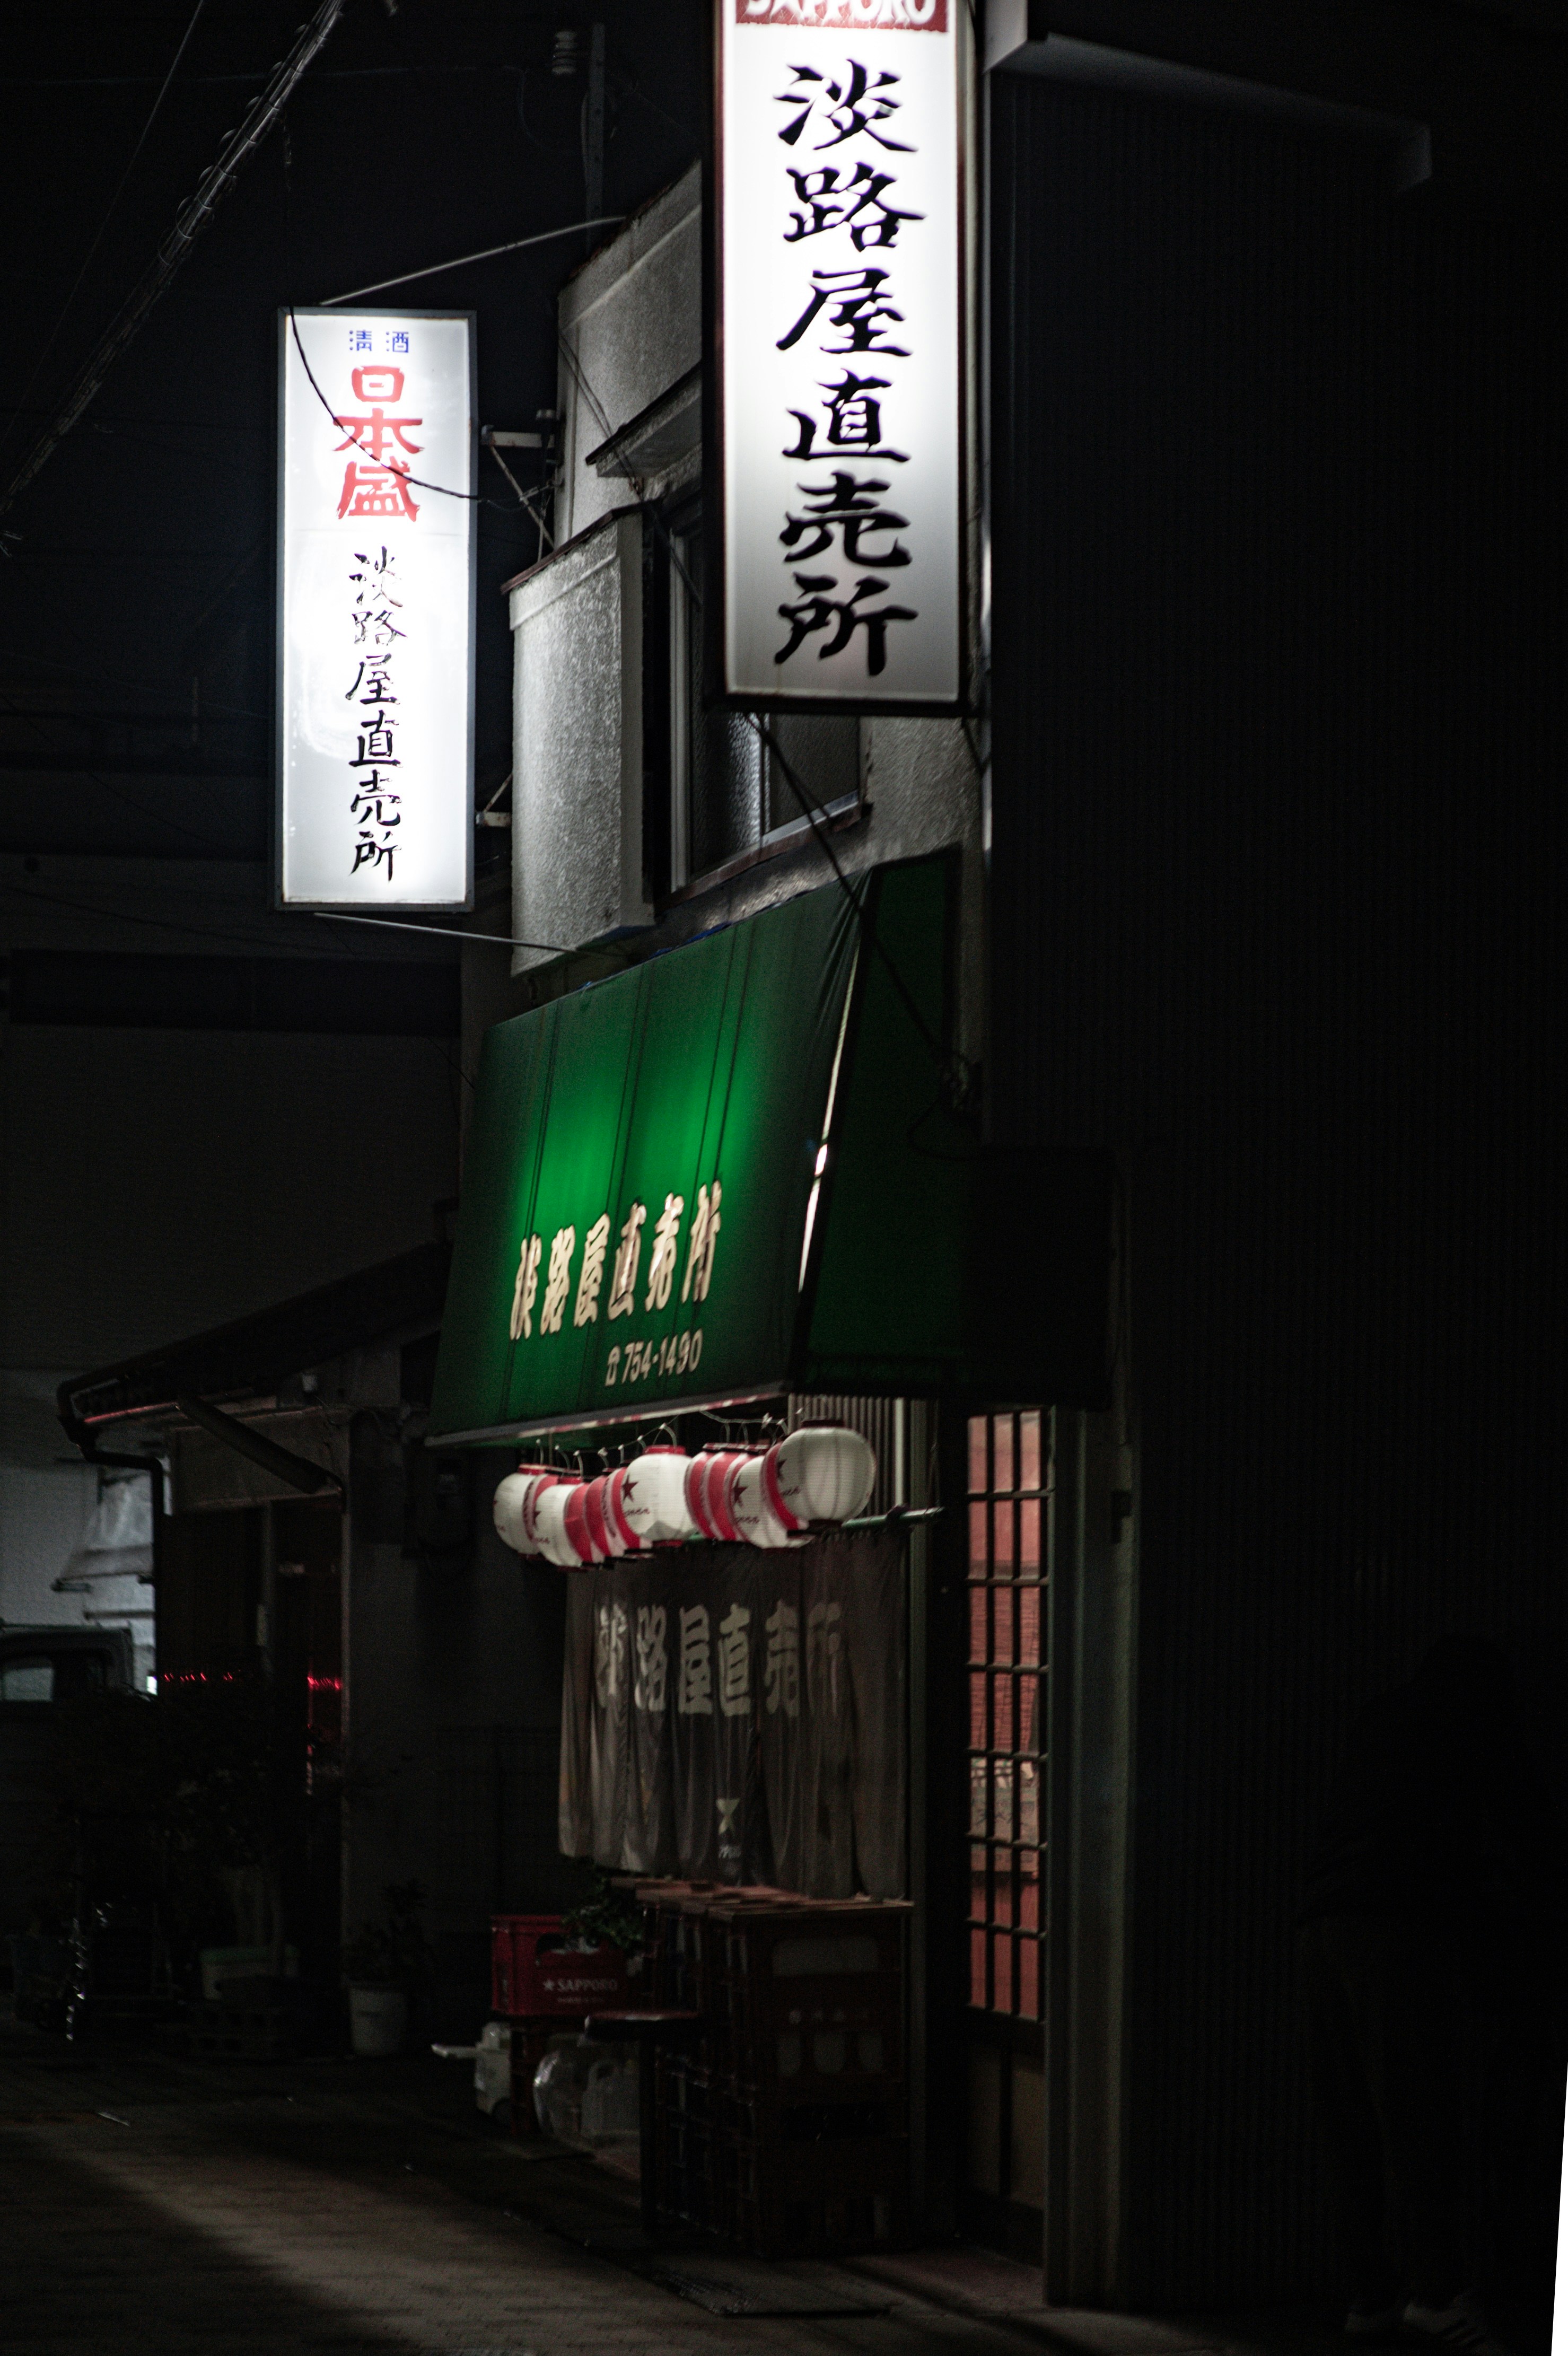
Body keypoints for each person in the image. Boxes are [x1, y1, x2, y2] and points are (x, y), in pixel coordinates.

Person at [1300, 1636, 1563, 2354]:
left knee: (1349, 2115)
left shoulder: (1382, 1717)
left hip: (1324, 1920)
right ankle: (1436, 2293)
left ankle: (1371, 2294)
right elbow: (1527, 1833)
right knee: (1415, 2112)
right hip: (1393, 1926)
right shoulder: (1478, 1723)